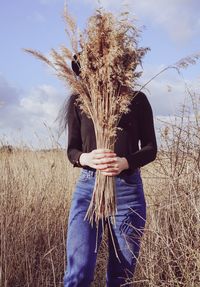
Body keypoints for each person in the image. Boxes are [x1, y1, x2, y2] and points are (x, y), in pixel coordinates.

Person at [63, 57, 157, 287]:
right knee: (78, 273)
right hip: (88, 189)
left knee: (120, 277)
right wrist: (85, 158)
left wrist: (126, 162)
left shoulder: (137, 100)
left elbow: (150, 149)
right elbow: (72, 149)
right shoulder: (79, 101)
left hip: (127, 191)